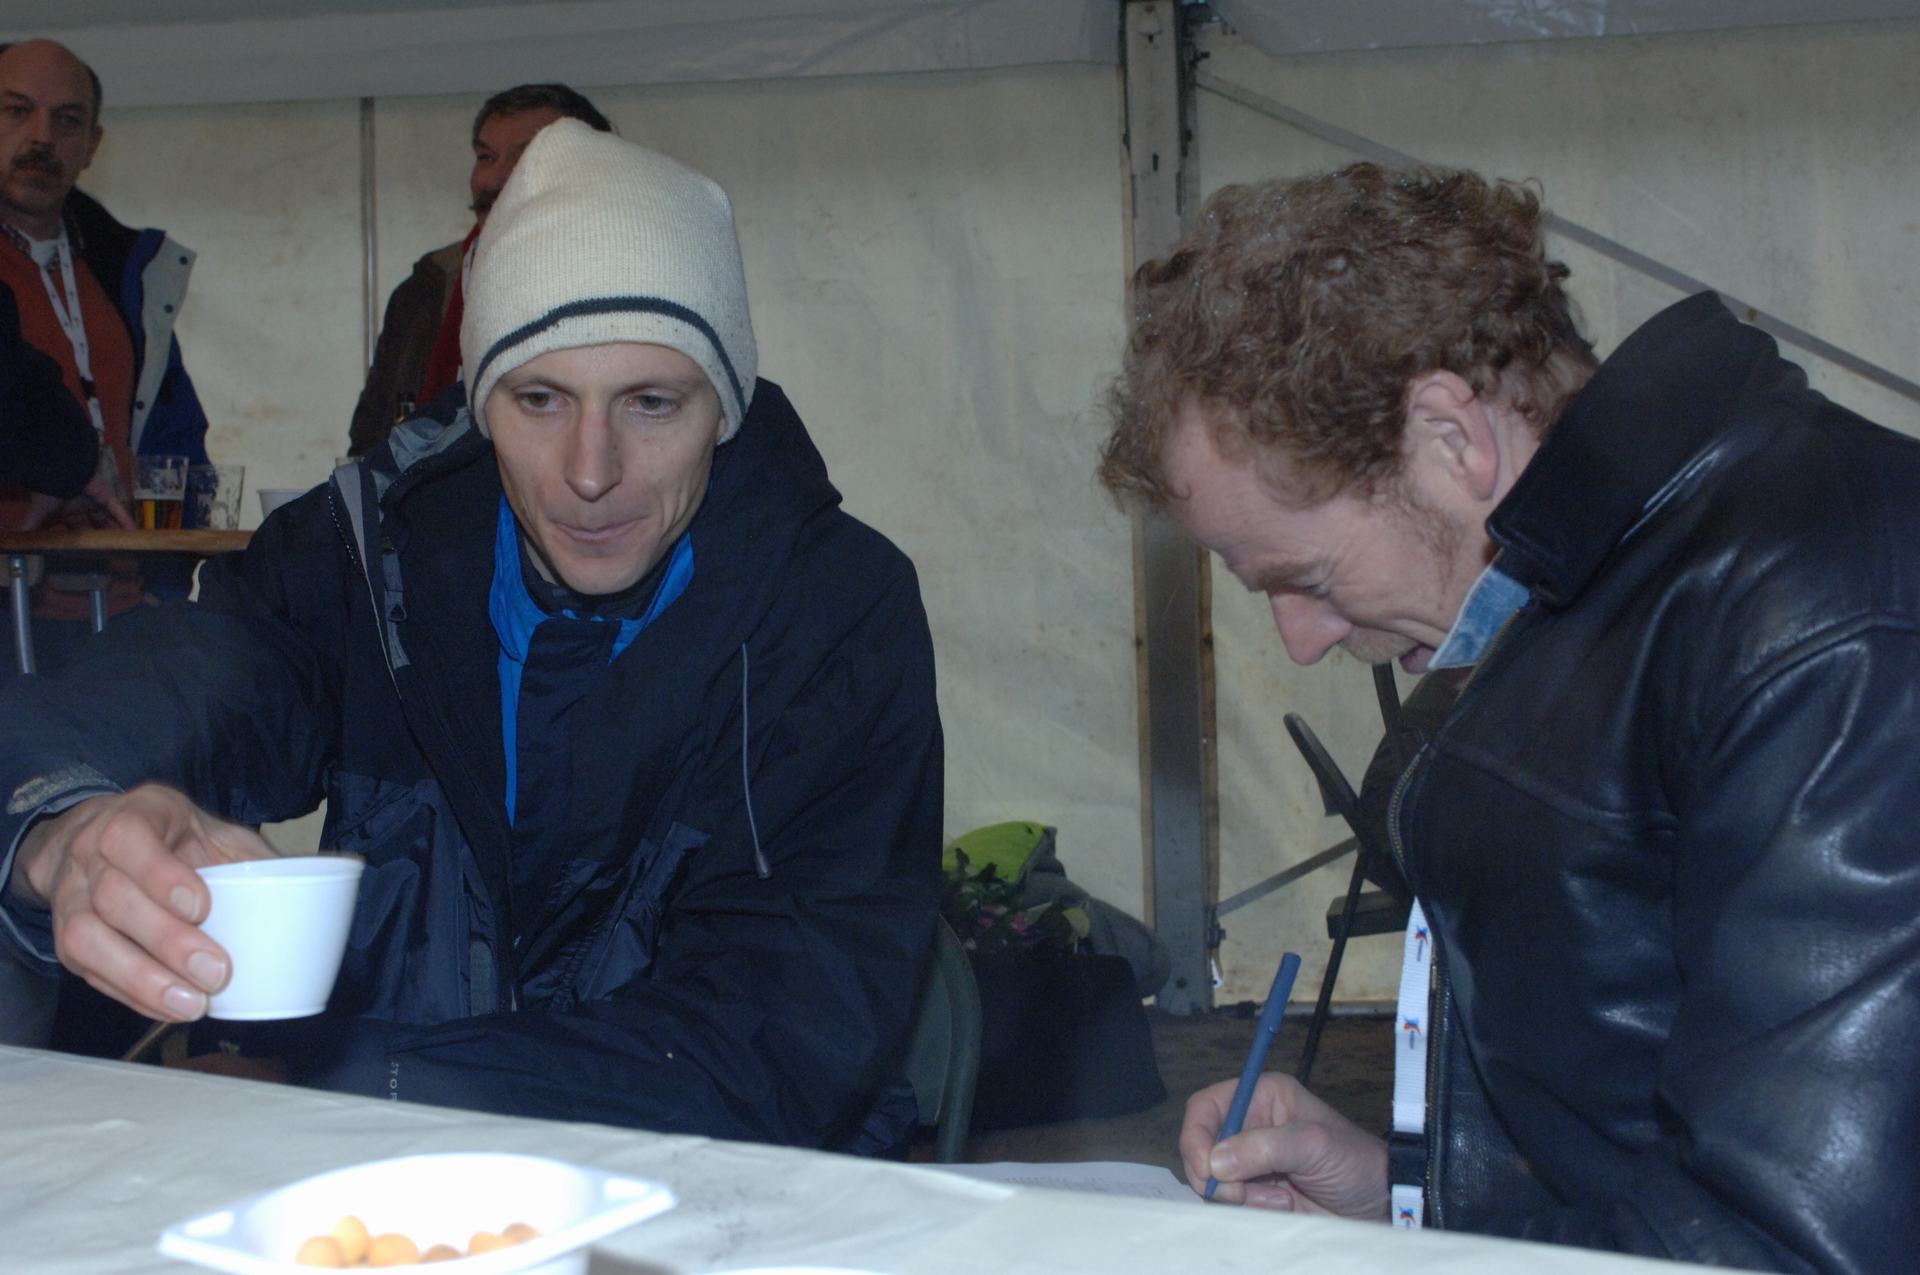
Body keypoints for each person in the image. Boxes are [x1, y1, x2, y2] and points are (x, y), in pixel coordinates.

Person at [0, 122, 944, 1153]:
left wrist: (358, 1088)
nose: (590, 471)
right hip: (390, 1197)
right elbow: (179, 678)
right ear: (482, 401)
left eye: (651, 403)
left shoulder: (832, 612)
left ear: (724, 406)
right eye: (540, 399)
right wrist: (60, 821)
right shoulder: (367, 554)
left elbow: (777, 1041)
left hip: (725, 1195)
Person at [1101, 163, 1919, 1269]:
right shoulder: (1600, 584)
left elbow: (1795, 1241)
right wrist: (1402, 1197)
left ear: (1452, 437)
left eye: (1309, 578)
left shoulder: (1828, 611)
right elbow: (1629, 1126)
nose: (1300, 639)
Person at [0, 37, 210, 672]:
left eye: (68, 120)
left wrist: (165, 585)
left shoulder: (129, 271)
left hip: (122, 615)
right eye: (16, 110)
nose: (43, 137)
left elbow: (176, 439)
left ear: (93, 144)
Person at [346, 83, 613, 458]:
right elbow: (370, 443)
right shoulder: (426, 289)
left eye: (525, 157)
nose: (494, 179)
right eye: (486, 157)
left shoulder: (621, 282)